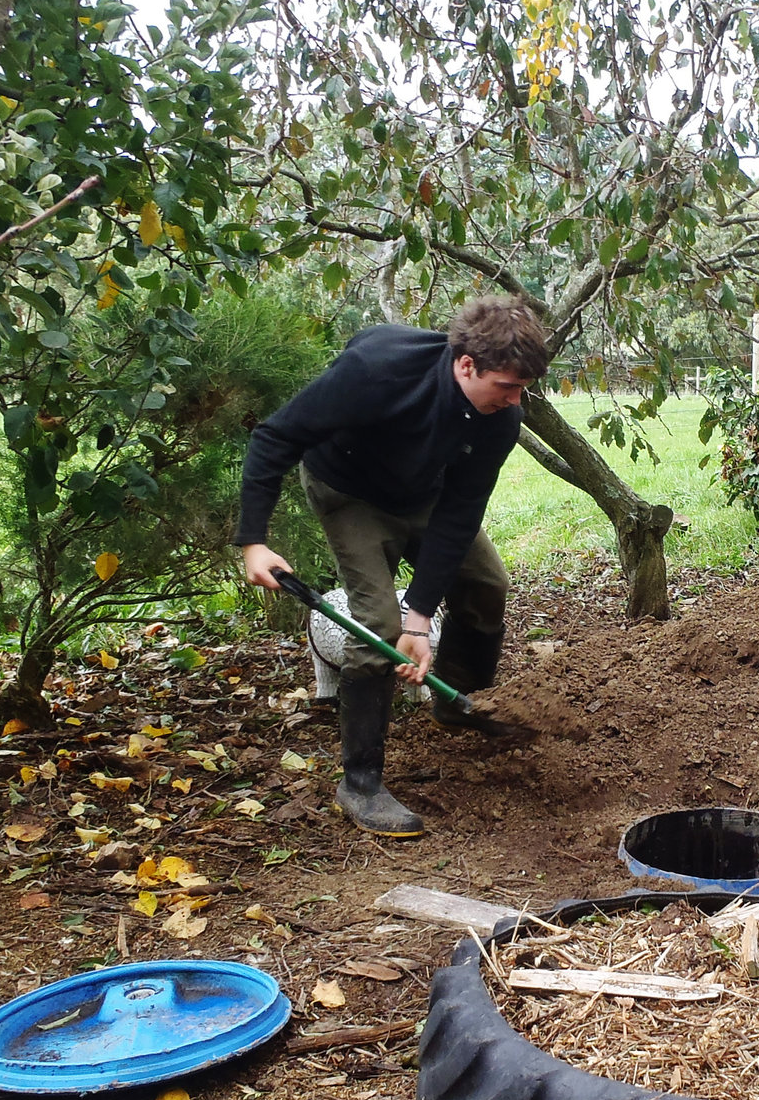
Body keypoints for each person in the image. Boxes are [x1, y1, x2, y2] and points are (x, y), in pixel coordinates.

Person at [236, 295, 554, 838]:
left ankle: (457, 701)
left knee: (485, 581)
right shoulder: (376, 371)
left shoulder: (501, 419)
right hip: (349, 491)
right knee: (378, 623)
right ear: (466, 364)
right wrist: (253, 542)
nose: (515, 399)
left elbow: (459, 514)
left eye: (523, 388)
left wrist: (421, 618)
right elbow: (276, 437)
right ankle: (359, 782)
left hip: (425, 493)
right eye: (507, 385)